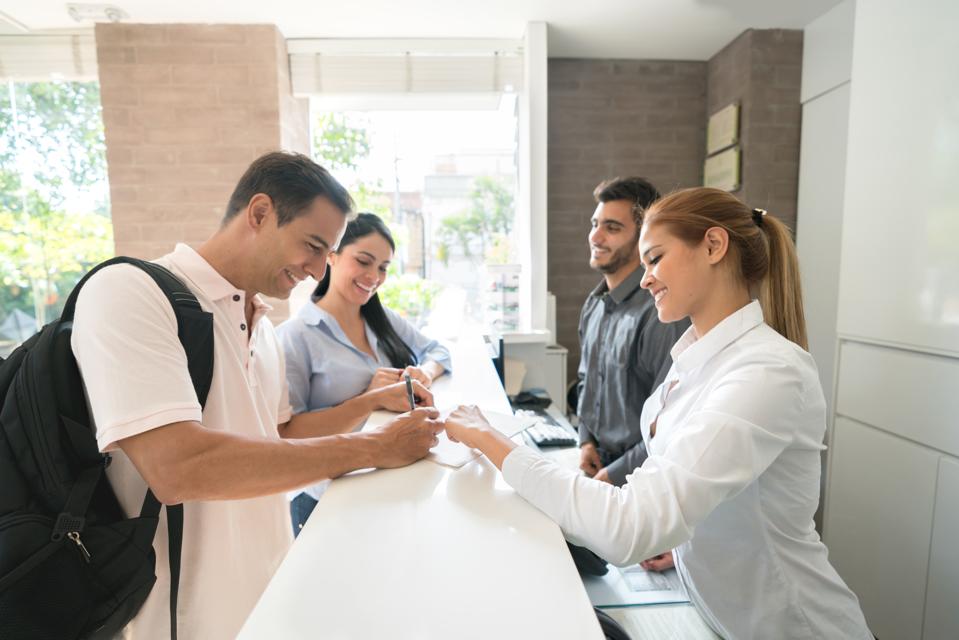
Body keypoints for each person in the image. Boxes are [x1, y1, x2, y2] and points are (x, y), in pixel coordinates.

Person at [445, 188, 873, 639]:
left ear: (713, 246)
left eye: (655, 259)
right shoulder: (695, 358)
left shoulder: (768, 372)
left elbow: (630, 526)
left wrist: (490, 439)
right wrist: (692, 540)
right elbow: (701, 481)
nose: (645, 278)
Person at [71, 152, 444, 640]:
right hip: (175, 618)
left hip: (267, 601)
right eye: (311, 246)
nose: (316, 271)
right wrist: (376, 448)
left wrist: (372, 408)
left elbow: (282, 436)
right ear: (261, 212)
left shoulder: (264, 327)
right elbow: (177, 469)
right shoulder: (130, 291)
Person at [277, 212, 451, 534]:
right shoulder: (296, 336)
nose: (374, 276)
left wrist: (423, 372)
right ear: (332, 256)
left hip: (385, 481)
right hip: (326, 496)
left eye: (383, 267)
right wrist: (369, 399)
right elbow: (289, 434)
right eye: (364, 261)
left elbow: (439, 352)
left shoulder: (378, 318)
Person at [577, 176, 688, 488]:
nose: (595, 236)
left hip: (641, 475)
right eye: (595, 224)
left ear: (643, 239)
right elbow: (587, 381)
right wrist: (586, 441)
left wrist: (614, 474)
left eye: (612, 228)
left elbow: (669, 418)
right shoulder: (594, 305)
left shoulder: (661, 314)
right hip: (597, 465)